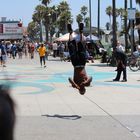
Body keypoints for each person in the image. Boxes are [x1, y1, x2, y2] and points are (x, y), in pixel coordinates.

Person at [67, 23, 92, 95]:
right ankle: (81, 32)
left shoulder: (76, 85)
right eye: (83, 90)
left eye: (81, 90)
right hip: (82, 63)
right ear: (84, 89)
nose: (82, 89)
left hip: (75, 64)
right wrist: (86, 82)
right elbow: (91, 78)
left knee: (71, 46)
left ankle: (70, 32)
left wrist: (74, 84)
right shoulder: (87, 84)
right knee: (82, 46)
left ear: (79, 90)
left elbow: (69, 78)